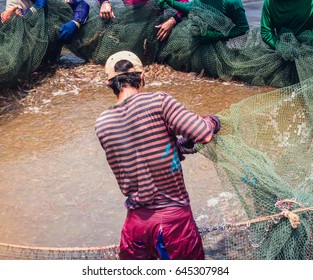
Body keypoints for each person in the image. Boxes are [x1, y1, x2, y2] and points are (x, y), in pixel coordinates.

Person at [95, 50, 221, 260]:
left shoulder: (102, 123)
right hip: (172, 225)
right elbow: (203, 134)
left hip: (135, 227)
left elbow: (139, 154)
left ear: (110, 84)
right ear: (142, 76)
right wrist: (213, 121)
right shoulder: (159, 101)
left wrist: (177, 146)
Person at [98, 0, 189, 41]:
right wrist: (104, 2)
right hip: (132, 14)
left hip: (156, 18)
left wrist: (173, 20)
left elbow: (188, 6)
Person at [158, 0, 249, 41]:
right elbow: (191, 7)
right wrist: (171, 2)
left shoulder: (233, 2)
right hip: (203, 37)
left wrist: (216, 35)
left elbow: (243, 28)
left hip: (226, 40)